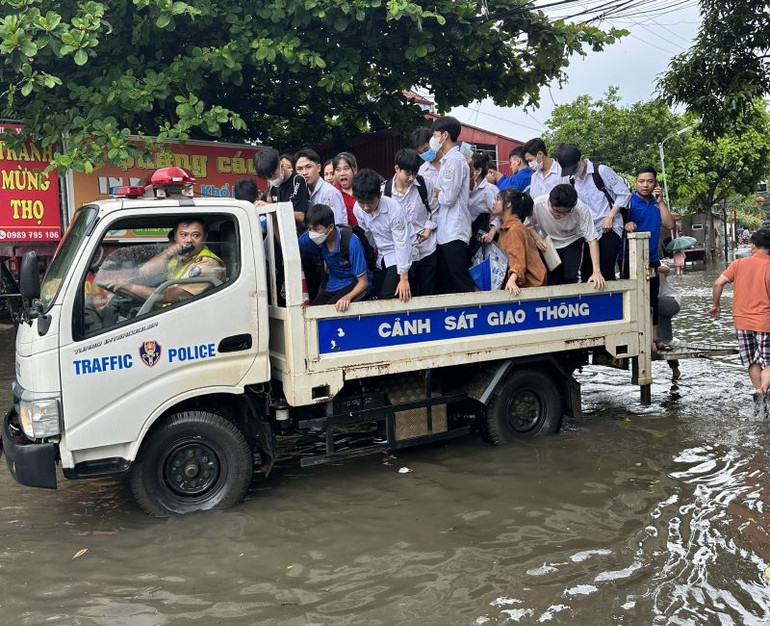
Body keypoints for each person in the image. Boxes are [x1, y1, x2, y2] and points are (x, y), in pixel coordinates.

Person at [710, 229, 770, 415]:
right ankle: (762, 391)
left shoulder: (738, 264)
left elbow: (718, 283)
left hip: (742, 321)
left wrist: (716, 305)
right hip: (766, 321)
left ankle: (760, 399)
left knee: (752, 361)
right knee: (768, 362)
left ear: (753, 245)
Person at [104, 218, 225, 304]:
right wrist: (167, 254)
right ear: (175, 237)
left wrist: (130, 287)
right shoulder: (178, 257)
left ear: (205, 238)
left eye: (196, 235)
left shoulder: (207, 263)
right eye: (183, 235)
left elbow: (171, 296)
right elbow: (144, 273)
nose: (189, 240)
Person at [555, 143, 631, 282]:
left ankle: (610, 301)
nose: (574, 172)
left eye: (574, 168)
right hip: (588, 230)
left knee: (606, 269)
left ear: (582, 159)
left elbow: (624, 194)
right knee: (587, 272)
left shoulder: (601, 171)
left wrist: (610, 216)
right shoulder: (572, 180)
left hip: (610, 226)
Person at [625, 166, 676, 351]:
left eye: (650, 181)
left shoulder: (656, 203)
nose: (645, 185)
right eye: (641, 181)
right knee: (632, 299)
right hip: (630, 258)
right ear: (635, 182)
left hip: (652, 258)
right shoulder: (628, 201)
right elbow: (617, 223)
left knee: (652, 299)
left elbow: (670, 224)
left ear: (655, 184)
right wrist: (626, 223)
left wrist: (661, 201)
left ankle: (655, 338)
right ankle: (636, 336)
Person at [431, 116, 477, 293]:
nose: (433, 139)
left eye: (435, 135)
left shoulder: (455, 161)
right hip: (446, 230)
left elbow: (448, 198)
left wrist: (436, 192)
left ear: (444, 135)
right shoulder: (448, 161)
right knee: (448, 281)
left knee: (459, 279)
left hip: (454, 229)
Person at [352, 168, 414, 301]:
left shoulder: (394, 209)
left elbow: (402, 243)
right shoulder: (357, 209)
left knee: (388, 296)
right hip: (381, 256)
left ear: (379, 195)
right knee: (375, 294)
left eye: (370, 203)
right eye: (362, 203)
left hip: (400, 255)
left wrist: (404, 278)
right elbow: (367, 235)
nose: (366, 208)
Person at [383, 148, 438, 296]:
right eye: (407, 173)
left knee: (428, 292)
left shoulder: (425, 184)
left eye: (415, 173)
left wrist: (428, 229)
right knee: (407, 295)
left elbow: (434, 209)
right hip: (402, 252)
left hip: (426, 248)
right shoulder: (385, 192)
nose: (411, 178)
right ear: (397, 169)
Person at [529, 184, 605, 288]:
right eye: (556, 211)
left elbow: (592, 239)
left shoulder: (580, 209)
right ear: (549, 202)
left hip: (573, 241)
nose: (560, 216)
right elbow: (528, 225)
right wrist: (536, 237)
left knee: (572, 277)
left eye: (565, 213)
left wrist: (596, 271)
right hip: (549, 244)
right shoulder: (537, 204)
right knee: (552, 279)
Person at [298, 204, 369, 311]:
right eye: (310, 229)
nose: (313, 233)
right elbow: (292, 244)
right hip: (331, 285)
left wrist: (347, 297)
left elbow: (363, 282)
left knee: (331, 311)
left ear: (330, 227)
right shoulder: (312, 238)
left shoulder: (352, 242)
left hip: (352, 284)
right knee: (313, 311)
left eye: (317, 229)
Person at [493, 189, 546, 294]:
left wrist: (512, 280)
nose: (494, 202)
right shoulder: (506, 228)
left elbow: (518, 259)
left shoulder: (515, 228)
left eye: (498, 199)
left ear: (508, 204)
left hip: (530, 288)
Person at [254, 147, 309, 230]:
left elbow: (301, 216)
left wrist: (271, 207)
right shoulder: (273, 187)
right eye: (268, 178)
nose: (272, 179)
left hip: (299, 233)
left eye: (274, 175)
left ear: (280, 164)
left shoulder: (297, 180)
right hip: (282, 232)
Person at [295, 148, 348, 225]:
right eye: (299, 169)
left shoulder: (329, 192)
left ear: (319, 168)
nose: (304, 172)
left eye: (308, 167)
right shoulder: (302, 192)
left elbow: (336, 226)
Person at [467, 153, 500, 255]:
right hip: (470, 232)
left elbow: (499, 214)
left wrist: (491, 232)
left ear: (478, 171)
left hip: (482, 231)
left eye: (469, 169)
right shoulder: (468, 189)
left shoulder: (489, 190)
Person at [657, 262, 681, 380]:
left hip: (671, 301)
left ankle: (675, 370)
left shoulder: (656, 265)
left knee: (651, 303)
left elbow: (666, 269)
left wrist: (651, 265)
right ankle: (675, 370)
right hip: (658, 308)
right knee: (665, 338)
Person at [333, 152, 359, 226]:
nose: (342, 173)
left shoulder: (362, 188)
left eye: (346, 168)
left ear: (355, 170)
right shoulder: (333, 193)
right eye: (338, 169)